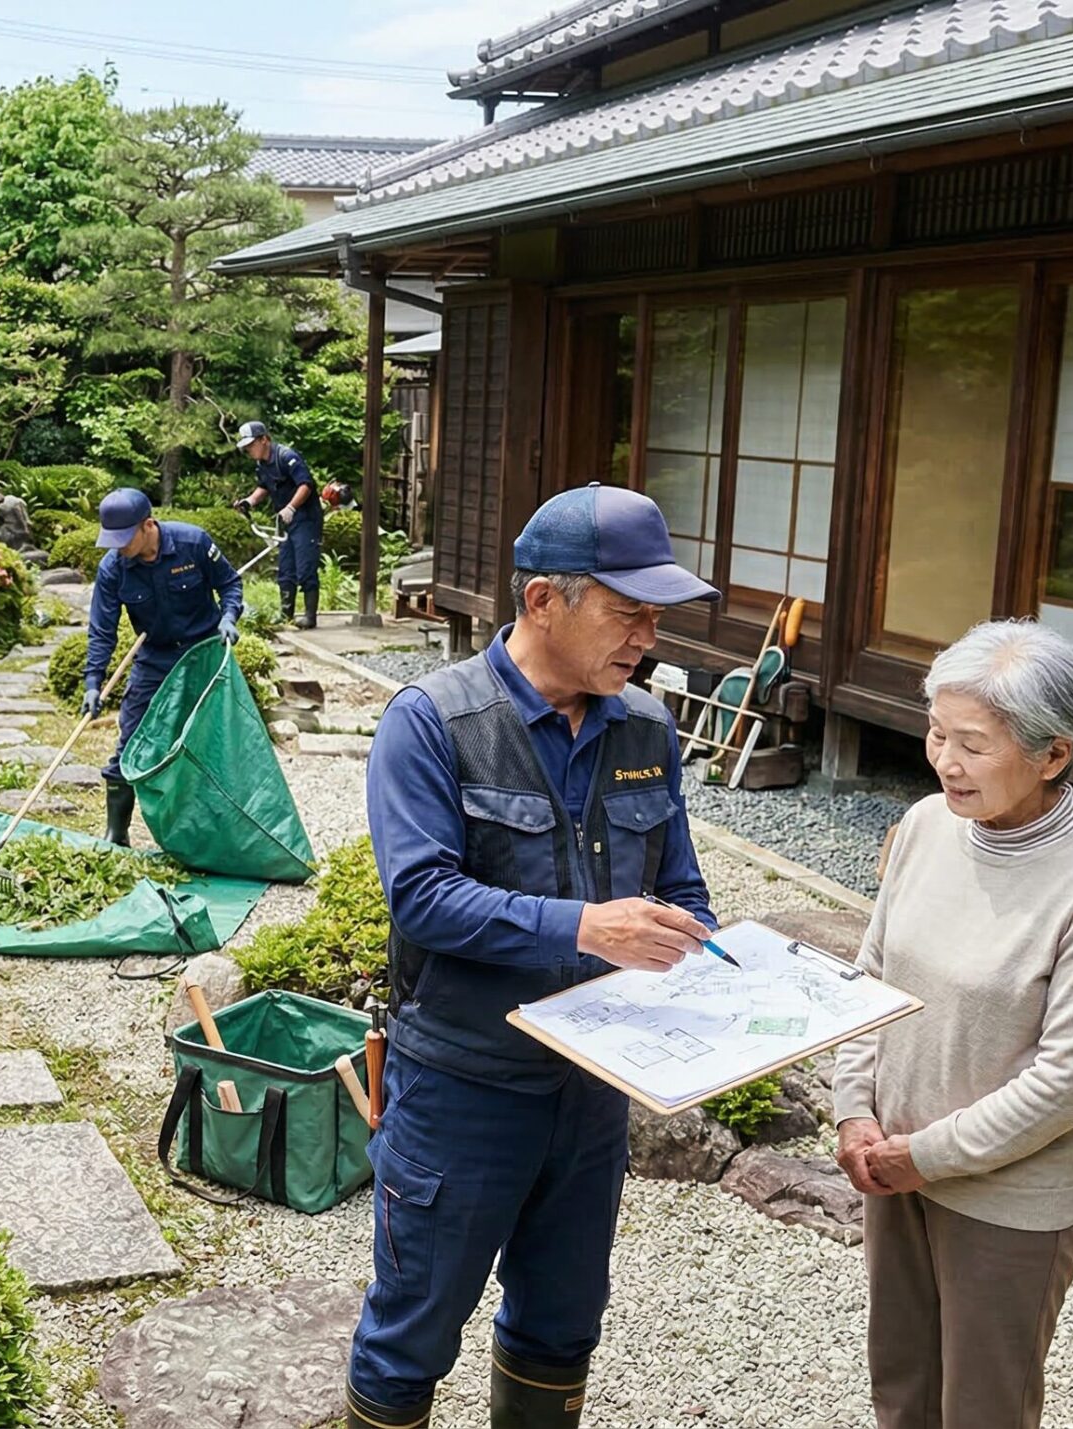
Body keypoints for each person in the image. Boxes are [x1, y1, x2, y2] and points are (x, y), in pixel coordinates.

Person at [348, 483, 721, 1429]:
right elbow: (423, 899)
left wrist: (718, 965)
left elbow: (681, 893)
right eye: (626, 609)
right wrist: (587, 928)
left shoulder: (642, 728)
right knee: (411, 1333)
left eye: (655, 614)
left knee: (563, 1324)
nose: (646, 635)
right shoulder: (434, 721)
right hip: (463, 1084)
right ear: (542, 601)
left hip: (592, 1089)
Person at [833, 620, 1073, 1429]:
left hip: (1005, 1199)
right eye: (938, 733)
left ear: (1053, 755)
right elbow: (871, 974)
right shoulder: (929, 825)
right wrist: (854, 1110)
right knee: (900, 1390)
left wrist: (923, 1155)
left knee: (984, 1410)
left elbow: (1067, 1080)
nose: (944, 760)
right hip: (890, 1164)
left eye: (972, 743)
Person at [80, 488, 243, 848]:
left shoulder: (193, 542)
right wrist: (93, 682)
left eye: (124, 539)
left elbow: (230, 584)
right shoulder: (113, 568)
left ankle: (216, 831)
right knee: (133, 738)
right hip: (155, 658)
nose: (118, 547)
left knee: (209, 741)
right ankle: (117, 833)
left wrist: (229, 617)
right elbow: (102, 630)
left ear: (148, 525)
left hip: (205, 654)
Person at [233, 419, 323, 629]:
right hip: (285, 521)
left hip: (305, 518)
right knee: (286, 568)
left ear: (264, 440)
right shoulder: (262, 465)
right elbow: (263, 486)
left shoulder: (286, 457)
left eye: (251, 445)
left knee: (305, 567)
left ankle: (310, 617)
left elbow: (306, 484)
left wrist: (291, 507)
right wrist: (249, 501)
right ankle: (286, 614)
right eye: (245, 447)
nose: (248, 450)